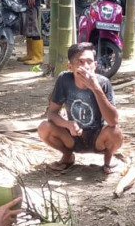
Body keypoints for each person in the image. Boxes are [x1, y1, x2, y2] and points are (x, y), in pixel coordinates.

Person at [38, 43, 123, 173]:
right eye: (80, 62)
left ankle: (108, 159)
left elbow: (113, 121)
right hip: (72, 138)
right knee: (44, 128)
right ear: (70, 67)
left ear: (95, 65)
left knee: (115, 132)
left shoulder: (103, 83)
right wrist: (67, 124)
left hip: (98, 138)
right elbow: (52, 114)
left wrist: (96, 89)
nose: (85, 67)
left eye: (89, 62)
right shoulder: (64, 80)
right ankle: (67, 156)